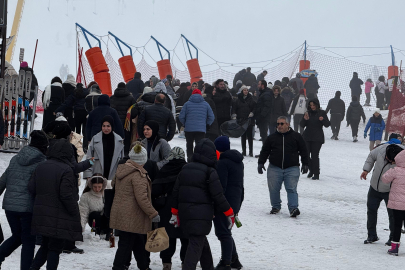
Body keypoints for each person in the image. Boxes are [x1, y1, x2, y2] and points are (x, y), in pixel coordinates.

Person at [170, 139, 235, 270]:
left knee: (200, 241)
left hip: (185, 213)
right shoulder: (209, 171)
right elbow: (218, 195)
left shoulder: (185, 168)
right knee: (195, 245)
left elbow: (175, 192)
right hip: (201, 215)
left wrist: (174, 211)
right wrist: (229, 212)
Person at [29, 139, 83, 270]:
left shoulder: (41, 166)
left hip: (41, 214)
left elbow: (31, 188)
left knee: (46, 245)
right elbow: (66, 195)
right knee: (54, 248)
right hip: (59, 216)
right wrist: (75, 212)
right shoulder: (67, 170)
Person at [0, 131, 48, 270]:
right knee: (28, 240)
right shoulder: (42, 162)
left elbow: (3, 180)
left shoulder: (15, 159)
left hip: (10, 206)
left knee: (17, 236)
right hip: (28, 208)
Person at [110, 143, 160, 270]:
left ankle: (144, 267)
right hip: (133, 216)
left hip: (123, 214)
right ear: (143, 160)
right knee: (126, 244)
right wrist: (153, 213)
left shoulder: (122, 170)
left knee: (137, 242)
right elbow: (142, 198)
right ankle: (117, 267)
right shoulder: (138, 175)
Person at [258, 116, 308, 216]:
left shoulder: (296, 136)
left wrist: (305, 163)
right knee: (274, 189)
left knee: (291, 188)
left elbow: (304, 150)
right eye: (278, 124)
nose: (279, 126)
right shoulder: (271, 137)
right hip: (274, 167)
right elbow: (265, 151)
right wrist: (261, 163)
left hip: (292, 167)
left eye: (282, 123)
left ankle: (293, 208)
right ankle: (276, 206)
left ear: (288, 124)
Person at [361, 133, 405, 245]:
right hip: (374, 187)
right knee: (371, 210)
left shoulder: (403, 154)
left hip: (391, 191)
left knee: (393, 215)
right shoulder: (381, 149)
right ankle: (371, 235)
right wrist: (366, 170)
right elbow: (371, 156)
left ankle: (392, 238)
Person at [151, 147, 189, 270]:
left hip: (167, 208)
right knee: (186, 237)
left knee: (168, 237)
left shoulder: (164, 170)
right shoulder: (188, 169)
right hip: (185, 207)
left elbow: (155, 190)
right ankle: (186, 262)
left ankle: (166, 263)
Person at [213, 137, 244, 270]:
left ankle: (225, 262)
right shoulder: (238, 162)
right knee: (226, 231)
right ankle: (234, 260)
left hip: (224, 202)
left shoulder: (223, 163)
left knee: (223, 233)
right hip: (235, 200)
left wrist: (217, 203)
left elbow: (221, 186)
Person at [84, 115, 124, 181]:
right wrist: (88, 175)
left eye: (108, 126)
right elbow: (89, 159)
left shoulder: (119, 141)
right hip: (97, 180)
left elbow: (122, 162)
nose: (106, 128)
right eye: (103, 126)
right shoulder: (95, 139)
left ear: (112, 126)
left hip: (113, 180)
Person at [179, 89, 215, 161]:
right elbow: (211, 116)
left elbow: (181, 116)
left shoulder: (187, 104)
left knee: (189, 145)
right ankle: (198, 160)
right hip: (201, 129)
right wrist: (207, 124)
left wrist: (185, 124)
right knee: (199, 145)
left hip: (189, 129)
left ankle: (190, 159)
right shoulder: (205, 104)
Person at [381, 149, 405, 256]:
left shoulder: (395, 170)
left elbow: (384, 179)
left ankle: (394, 248)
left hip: (397, 205)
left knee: (397, 225)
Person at [300, 98, 330, 180]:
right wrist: (304, 119)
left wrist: (322, 120)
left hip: (317, 137)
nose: (312, 107)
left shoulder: (322, 113)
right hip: (307, 136)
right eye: (311, 105)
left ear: (317, 105)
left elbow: (327, 124)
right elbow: (302, 125)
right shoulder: (307, 113)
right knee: (306, 154)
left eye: (314, 105)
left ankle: (316, 173)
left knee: (314, 155)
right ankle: (311, 170)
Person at [55, 83, 90, 151]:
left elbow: (67, 103)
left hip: (77, 113)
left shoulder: (74, 93)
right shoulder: (87, 92)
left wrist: (57, 110)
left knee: (77, 130)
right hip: (85, 112)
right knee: (85, 130)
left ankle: (76, 145)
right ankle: (85, 147)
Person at [79, 174, 110, 239]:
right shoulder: (86, 196)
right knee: (95, 214)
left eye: (99, 187)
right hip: (94, 220)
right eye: (95, 187)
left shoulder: (107, 193)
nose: (97, 189)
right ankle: (97, 230)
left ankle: (108, 231)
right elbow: (83, 213)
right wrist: (80, 227)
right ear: (91, 185)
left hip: (107, 220)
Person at [110, 82, 137, 156]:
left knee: (115, 138)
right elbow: (135, 110)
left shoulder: (112, 98)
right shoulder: (130, 98)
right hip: (126, 123)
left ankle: (115, 153)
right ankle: (125, 153)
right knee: (126, 138)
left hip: (114, 122)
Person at [232, 85, 255, 156]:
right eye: (244, 90)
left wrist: (252, 113)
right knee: (243, 136)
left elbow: (254, 108)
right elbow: (234, 108)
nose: (246, 91)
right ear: (242, 91)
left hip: (249, 120)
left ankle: (251, 151)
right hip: (241, 120)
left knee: (250, 136)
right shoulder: (238, 100)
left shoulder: (251, 99)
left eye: (247, 90)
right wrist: (234, 115)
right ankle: (244, 151)